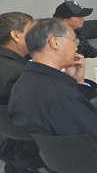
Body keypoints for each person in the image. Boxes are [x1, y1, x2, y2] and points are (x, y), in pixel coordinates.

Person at [9, 19, 97, 154]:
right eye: (74, 41)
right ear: (55, 42)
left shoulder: (26, 79)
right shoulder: (58, 92)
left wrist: (77, 81)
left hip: (51, 152)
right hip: (88, 153)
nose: (76, 48)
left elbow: (72, 111)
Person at [0, 12, 42, 173]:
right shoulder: (19, 72)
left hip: (7, 140)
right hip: (29, 144)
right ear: (16, 35)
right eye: (31, 30)